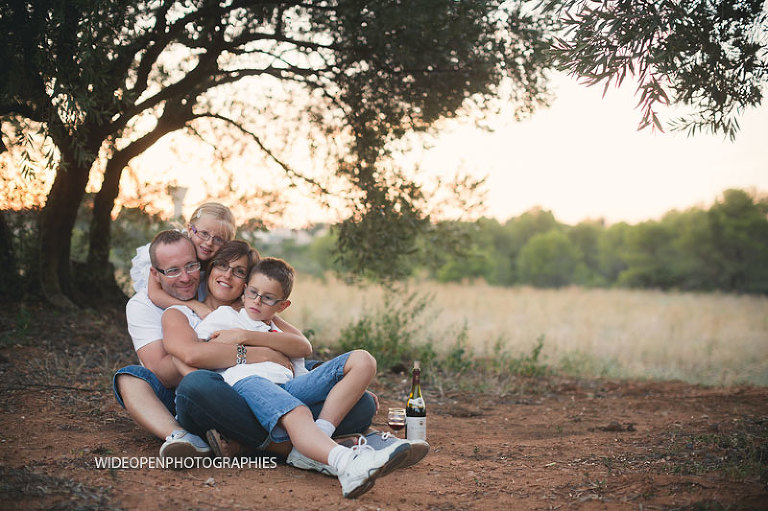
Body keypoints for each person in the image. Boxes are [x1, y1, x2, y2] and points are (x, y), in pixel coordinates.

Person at [165, 256, 413, 499]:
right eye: (252, 293)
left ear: (282, 306)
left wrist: (342, 388)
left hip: (290, 386)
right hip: (247, 384)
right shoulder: (226, 317)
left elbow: (303, 356)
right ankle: (346, 463)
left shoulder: (277, 329)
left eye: (268, 298)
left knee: (364, 360)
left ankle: (319, 437)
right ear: (244, 292)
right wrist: (248, 350)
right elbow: (196, 352)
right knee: (297, 412)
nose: (257, 301)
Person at [114, 232, 376, 460]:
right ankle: (282, 446)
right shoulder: (167, 309)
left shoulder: (250, 305)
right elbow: (183, 360)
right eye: (172, 270)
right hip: (213, 392)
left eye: (239, 272)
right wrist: (257, 354)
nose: (184, 277)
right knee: (186, 384)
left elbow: (301, 346)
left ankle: (245, 441)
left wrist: (250, 340)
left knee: (363, 403)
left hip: (270, 387)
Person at [130, 202, 236, 318]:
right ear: (190, 229)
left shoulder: (223, 262)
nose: (209, 243)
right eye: (204, 233)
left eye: (219, 239)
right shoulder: (175, 249)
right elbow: (155, 294)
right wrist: (194, 305)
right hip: (167, 298)